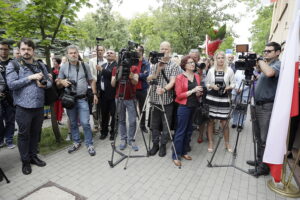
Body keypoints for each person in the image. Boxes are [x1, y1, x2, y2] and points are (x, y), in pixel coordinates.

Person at [6, 38, 52, 175]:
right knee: (23, 135)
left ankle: (33, 157)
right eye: (23, 49)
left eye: (29, 49)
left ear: (33, 51)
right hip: (23, 108)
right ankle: (25, 161)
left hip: (39, 107)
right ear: (19, 50)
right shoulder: (13, 65)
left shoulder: (40, 65)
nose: (26, 52)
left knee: (35, 134)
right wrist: (30, 78)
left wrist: (44, 84)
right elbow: (11, 84)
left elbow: (50, 82)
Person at [57, 45, 98, 156]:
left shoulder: (85, 65)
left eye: (75, 52)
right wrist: (62, 82)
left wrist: (94, 94)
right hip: (70, 99)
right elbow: (58, 81)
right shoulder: (64, 67)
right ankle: (76, 142)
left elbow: (91, 80)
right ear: (67, 54)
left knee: (85, 122)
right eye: (71, 53)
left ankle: (89, 144)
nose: (73, 54)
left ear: (77, 53)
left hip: (82, 98)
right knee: (73, 123)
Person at [247, 42, 282, 176]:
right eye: (265, 51)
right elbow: (263, 77)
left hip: (266, 106)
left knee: (264, 138)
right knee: (258, 137)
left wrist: (260, 59)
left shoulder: (277, 64)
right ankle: (259, 160)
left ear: (277, 52)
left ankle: (264, 168)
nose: (265, 53)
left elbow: (269, 73)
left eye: (269, 51)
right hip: (258, 105)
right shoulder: (268, 64)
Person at [147, 41, 181, 157]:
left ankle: (163, 145)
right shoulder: (154, 64)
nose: (163, 51)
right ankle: (155, 144)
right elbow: (149, 79)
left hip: (167, 100)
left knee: (166, 125)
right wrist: (158, 69)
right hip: (154, 99)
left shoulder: (174, 65)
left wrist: (164, 89)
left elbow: (172, 81)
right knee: (154, 125)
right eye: (162, 49)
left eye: (166, 49)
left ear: (170, 50)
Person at [172, 55, 202, 166]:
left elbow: (197, 92)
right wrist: (193, 90)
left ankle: (184, 151)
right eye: (190, 62)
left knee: (189, 131)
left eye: (193, 62)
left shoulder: (196, 76)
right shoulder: (180, 77)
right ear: (184, 65)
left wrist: (198, 93)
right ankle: (175, 155)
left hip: (194, 106)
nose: (193, 64)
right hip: (184, 107)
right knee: (180, 131)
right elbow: (179, 95)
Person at [205, 51, 235, 153]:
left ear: (225, 59)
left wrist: (228, 87)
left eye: (222, 58)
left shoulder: (229, 70)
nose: (221, 59)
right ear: (215, 59)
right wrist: (212, 86)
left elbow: (234, 84)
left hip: (224, 98)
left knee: (224, 122)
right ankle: (210, 142)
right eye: (218, 58)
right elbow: (207, 83)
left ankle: (227, 143)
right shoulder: (211, 70)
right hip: (212, 98)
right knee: (210, 122)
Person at [111, 61, 139, 151]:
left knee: (133, 121)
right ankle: (123, 139)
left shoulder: (134, 68)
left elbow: (135, 82)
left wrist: (131, 76)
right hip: (119, 97)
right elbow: (112, 84)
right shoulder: (116, 68)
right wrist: (117, 75)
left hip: (131, 98)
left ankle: (131, 139)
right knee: (121, 120)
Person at [0, 41, 16, 149]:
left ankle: (9, 139)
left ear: (8, 50)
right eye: (1, 49)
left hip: (11, 95)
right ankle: (1, 139)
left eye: (5, 49)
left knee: (10, 119)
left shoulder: (13, 63)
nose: (3, 51)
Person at [97, 49, 116, 140]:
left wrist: (102, 70)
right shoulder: (103, 65)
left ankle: (113, 132)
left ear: (115, 56)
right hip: (103, 94)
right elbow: (99, 79)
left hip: (112, 95)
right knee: (104, 114)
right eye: (107, 53)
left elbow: (110, 75)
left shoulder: (117, 66)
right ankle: (104, 132)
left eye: (111, 53)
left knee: (113, 114)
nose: (108, 54)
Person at [89, 46, 107, 132]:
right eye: (98, 50)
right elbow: (91, 74)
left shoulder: (107, 61)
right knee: (95, 108)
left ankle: (104, 123)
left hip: (105, 86)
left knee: (104, 106)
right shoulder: (92, 61)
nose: (100, 51)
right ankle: (96, 124)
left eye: (101, 50)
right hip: (95, 85)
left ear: (104, 51)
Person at [136, 45, 150, 133]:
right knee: (132, 108)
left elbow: (146, 74)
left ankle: (142, 125)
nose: (136, 52)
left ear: (142, 52)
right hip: (133, 88)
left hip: (142, 89)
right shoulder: (133, 62)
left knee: (143, 108)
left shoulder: (146, 63)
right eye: (136, 51)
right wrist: (141, 74)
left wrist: (137, 75)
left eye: (138, 51)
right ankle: (134, 125)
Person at [52, 57, 64, 125]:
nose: (54, 63)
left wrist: (60, 81)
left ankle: (59, 119)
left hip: (60, 90)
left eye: (55, 62)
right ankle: (55, 119)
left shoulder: (61, 69)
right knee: (55, 106)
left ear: (58, 63)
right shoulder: (51, 70)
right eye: (53, 61)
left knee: (60, 106)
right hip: (54, 90)